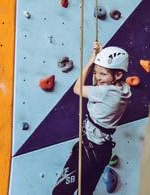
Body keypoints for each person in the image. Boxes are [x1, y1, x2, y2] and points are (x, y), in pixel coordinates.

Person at [52, 42, 132, 195]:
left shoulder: (104, 92)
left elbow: (77, 89)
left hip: (88, 150)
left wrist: (90, 61)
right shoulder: (123, 89)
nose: (98, 77)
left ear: (118, 74)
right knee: (85, 192)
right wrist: (100, 64)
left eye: (103, 74)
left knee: (60, 192)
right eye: (96, 72)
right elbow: (100, 84)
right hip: (102, 152)